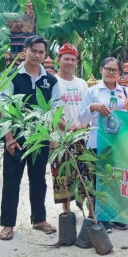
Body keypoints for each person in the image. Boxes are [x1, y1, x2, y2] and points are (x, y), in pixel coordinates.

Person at [78, 57, 128, 243]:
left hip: (120, 144)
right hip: (97, 143)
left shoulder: (126, 92)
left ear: (120, 73)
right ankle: (104, 220)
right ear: (101, 69)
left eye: (115, 70)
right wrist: (92, 107)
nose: (111, 73)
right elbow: (82, 119)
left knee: (125, 182)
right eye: (108, 69)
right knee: (99, 183)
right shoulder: (92, 91)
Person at [0, 35, 61, 241]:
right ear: (25, 51)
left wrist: (51, 137)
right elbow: (4, 109)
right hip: (15, 138)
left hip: (39, 138)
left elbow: (54, 111)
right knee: (11, 181)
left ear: (45, 54)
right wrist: (8, 138)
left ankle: (39, 219)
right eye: (33, 50)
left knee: (38, 180)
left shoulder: (50, 80)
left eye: (41, 52)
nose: (37, 55)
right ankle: (8, 224)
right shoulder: (12, 76)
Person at [51, 43, 89, 213]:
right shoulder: (53, 82)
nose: (69, 63)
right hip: (61, 137)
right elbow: (52, 110)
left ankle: (88, 209)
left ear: (76, 62)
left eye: (73, 59)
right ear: (58, 60)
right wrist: (67, 128)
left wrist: (84, 125)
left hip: (81, 134)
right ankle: (66, 211)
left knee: (84, 172)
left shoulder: (82, 83)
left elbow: (87, 107)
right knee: (63, 173)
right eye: (66, 59)